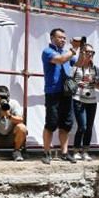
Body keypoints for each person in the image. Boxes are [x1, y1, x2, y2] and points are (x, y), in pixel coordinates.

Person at [41, 28, 78, 164]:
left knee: (66, 124)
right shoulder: (47, 52)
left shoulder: (66, 53)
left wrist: (85, 51)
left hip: (66, 93)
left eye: (64, 37)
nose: (63, 39)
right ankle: (46, 153)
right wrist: (73, 49)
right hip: (52, 92)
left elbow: (78, 63)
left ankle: (64, 152)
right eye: (60, 37)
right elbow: (61, 60)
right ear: (52, 38)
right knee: (51, 123)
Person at [68, 41, 99, 161]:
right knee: (82, 126)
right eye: (88, 52)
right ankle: (76, 150)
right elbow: (69, 83)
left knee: (89, 126)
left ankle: (85, 151)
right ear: (82, 53)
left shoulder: (95, 68)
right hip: (78, 98)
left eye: (92, 53)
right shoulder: (75, 67)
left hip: (92, 100)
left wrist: (93, 81)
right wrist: (79, 83)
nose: (90, 55)